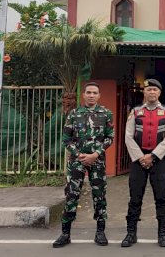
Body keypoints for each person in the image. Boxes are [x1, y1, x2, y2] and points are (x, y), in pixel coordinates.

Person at [53, 82, 115, 248]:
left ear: (99, 96)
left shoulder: (106, 114)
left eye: (95, 93)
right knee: (72, 195)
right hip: (77, 162)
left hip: (97, 161)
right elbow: (66, 139)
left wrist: (95, 154)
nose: (91, 95)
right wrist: (79, 155)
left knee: (99, 196)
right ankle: (65, 233)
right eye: (88, 92)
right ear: (83, 95)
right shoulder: (74, 114)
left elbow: (110, 138)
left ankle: (100, 232)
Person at [121, 79, 165, 248]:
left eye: (155, 90)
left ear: (159, 93)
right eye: (149, 89)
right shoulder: (136, 111)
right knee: (135, 198)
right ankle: (131, 233)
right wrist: (140, 157)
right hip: (138, 161)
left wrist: (152, 156)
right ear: (144, 92)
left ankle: (162, 234)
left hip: (158, 161)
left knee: (161, 197)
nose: (152, 92)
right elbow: (128, 135)